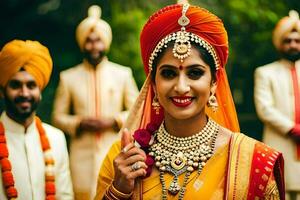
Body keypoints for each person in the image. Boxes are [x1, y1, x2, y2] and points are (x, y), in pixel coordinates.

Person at [95, 2, 285, 200]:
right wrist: (118, 190)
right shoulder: (124, 158)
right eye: (168, 74)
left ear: (213, 83)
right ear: (153, 85)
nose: (181, 87)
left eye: (195, 73)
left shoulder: (251, 160)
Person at [52, 4, 139, 200]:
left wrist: (114, 121)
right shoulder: (68, 77)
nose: (94, 46)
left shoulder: (122, 74)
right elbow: (58, 117)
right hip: (80, 158)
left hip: (115, 152)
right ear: (83, 44)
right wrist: (79, 123)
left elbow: (137, 110)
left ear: (105, 43)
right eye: (89, 41)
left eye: (98, 41)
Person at [0, 40, 73, 199]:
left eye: (31, 85)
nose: (24, 93)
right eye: (15, 85)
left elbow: (65, 196)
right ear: (3, 90)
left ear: (40, 89)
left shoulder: (56, 138)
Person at [254, 10, 300, 200]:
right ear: (279, 44)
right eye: (287, 41)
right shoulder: (265, 72)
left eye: (297, 40)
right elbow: (264, 108)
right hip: (280, 144)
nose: (292, 45)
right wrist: (292, 129)